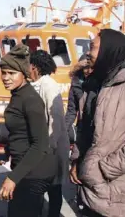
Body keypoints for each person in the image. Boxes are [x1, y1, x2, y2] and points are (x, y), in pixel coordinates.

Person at [70, 29, 125, 217]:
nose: (87, 52)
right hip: (89, 191)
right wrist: (77, 161)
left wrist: (101, 169)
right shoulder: (93, 85)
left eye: (92, 47)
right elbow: (83, 128)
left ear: (108, 50)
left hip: (115, 192)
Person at [0, 44, 56, 217]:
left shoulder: (30, 99)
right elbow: (22, 133)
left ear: (23, 73)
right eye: (4, 72)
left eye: (12, 73)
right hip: (25, 167)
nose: (6, 77)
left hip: (34, 173)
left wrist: (13, 178)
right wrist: (8, 150)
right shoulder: (18, 95)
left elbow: (40, 144)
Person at [29, 50, 70, 217]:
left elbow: (56, 117)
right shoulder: (38, 84)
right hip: (44, 144)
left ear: (35, 67)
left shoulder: (48, 85)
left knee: (53, 186)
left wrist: (50, 146)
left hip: (52, 145)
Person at [65, 55, 92, 136]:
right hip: (82, 127)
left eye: (91, 67)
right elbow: (71, 111)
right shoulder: (76, 85)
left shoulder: (100, 83)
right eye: (86, 68)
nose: (89, 71)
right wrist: (63, 130)